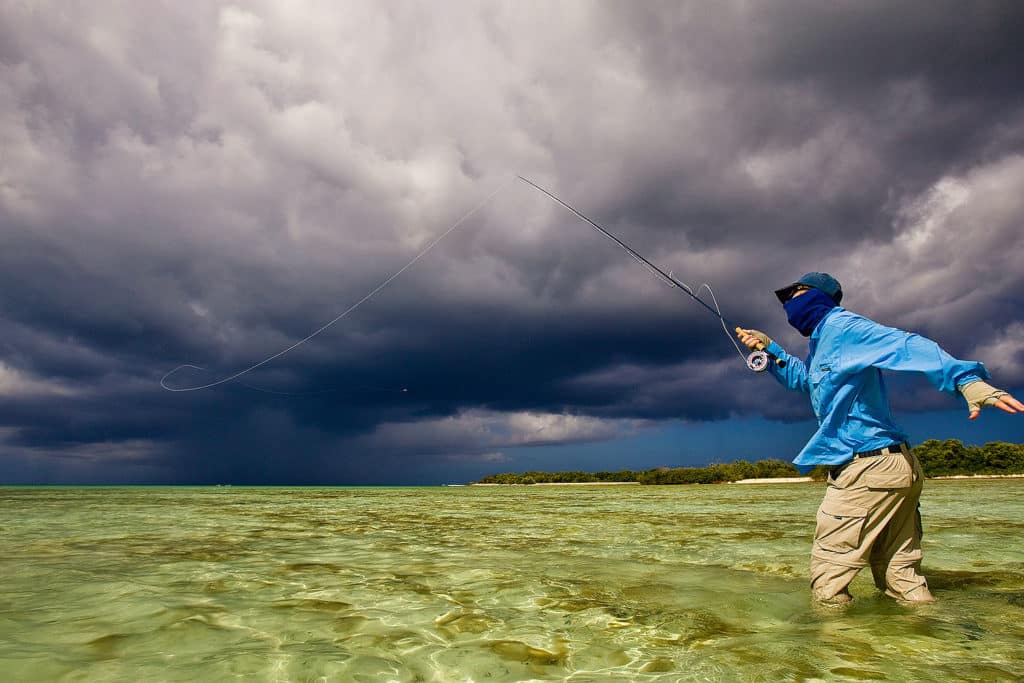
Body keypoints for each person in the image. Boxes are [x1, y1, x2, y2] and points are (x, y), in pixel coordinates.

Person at [735, 272, 1023, 604]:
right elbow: (806, 381)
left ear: (819, 296)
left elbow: (906, 344)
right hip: (893, 470)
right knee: (901, 579)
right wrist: (769, 349)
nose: (788, 303)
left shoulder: (845, 328)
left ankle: (834, 653)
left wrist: (965, 380)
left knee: (828, 587)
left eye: (794, 294)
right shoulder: (822, 341)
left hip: (868, 472)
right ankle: (937, 646)